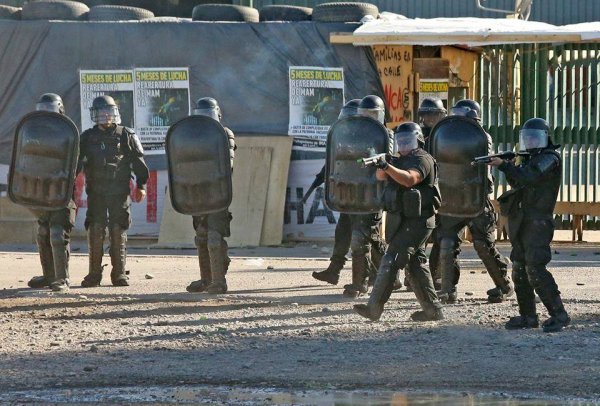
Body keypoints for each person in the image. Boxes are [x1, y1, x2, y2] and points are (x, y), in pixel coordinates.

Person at [354, 122, 444, 321]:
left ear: (418, 141)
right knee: (416, 266)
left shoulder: (423, 159)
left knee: (391, 259)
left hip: (419, 221)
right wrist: (382, 164)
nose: (403, 145)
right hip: (403, 220)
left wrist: (387, 165)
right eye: (400, 142)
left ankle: (374, 308)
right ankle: (433, 311)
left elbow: (410, 179)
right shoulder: (397, 160)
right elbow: (380, 176)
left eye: (407, 142)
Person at [488, 118, 570, 332]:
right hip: (523, 221)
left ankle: (559, 315)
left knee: (535, 268)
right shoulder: (528, 160)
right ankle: (528, 317)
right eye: (527, 138)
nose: (530, 141)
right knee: (519, 269)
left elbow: (531, 177)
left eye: (535, 137)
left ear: (545, 138)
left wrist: (505, 165)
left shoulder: (550, 158)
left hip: (538, 222)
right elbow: (519, 182)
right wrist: (508, 166)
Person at [436, 99, 513, 304]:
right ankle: (448, 289)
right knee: (447, 243)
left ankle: (504, 285)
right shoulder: (445, 135)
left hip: (475, 198)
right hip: (451, 197)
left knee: (483, 245)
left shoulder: (481, 137)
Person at [309, 99, 387, 288]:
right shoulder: (350, 138)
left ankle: (386, 276)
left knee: (369, 239)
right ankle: (335, 270)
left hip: (370, 195)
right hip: (351, 193)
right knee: (344, 232)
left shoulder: (382, 135)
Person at [79, 95, 149, 287]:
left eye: (108, 112)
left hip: (119, 191)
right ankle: (94, 275)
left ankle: (119, 274)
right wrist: (68, 185)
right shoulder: (86, 137)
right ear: (95, 115)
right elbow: (76, 164)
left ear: (114, 114)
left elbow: (139, 162)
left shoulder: (126, 134)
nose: (105, 116)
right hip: (96, 192)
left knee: (118, 229)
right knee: (95, 229)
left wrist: (141, 185)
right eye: (101, 113)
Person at [26, 93, 77, 292]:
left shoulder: (69, 134)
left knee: (57, 233)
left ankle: (62, 279)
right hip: (41, 194)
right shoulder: (33, 134)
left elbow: (75, 166)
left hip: (62, 194)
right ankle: (49, 276)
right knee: (43, 233)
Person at [186, 97, 236, 294]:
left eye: (210, 115)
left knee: (214, 237)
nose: (206, 119)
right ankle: (206, 279)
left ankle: (219, 281)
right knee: (201, 237)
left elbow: (228, 165)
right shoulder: (190, 136)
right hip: (198, 192)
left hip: (218, 193)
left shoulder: (224, 134)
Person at [417, 97, 447, 290]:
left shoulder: (448, 135)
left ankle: (436, 276)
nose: (429, 118)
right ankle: (416, 274)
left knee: (441, 237)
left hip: (444, 191)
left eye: (433, 114)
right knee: (420, 235)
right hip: (424, 190)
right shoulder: (418, 135)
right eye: (426, 114)